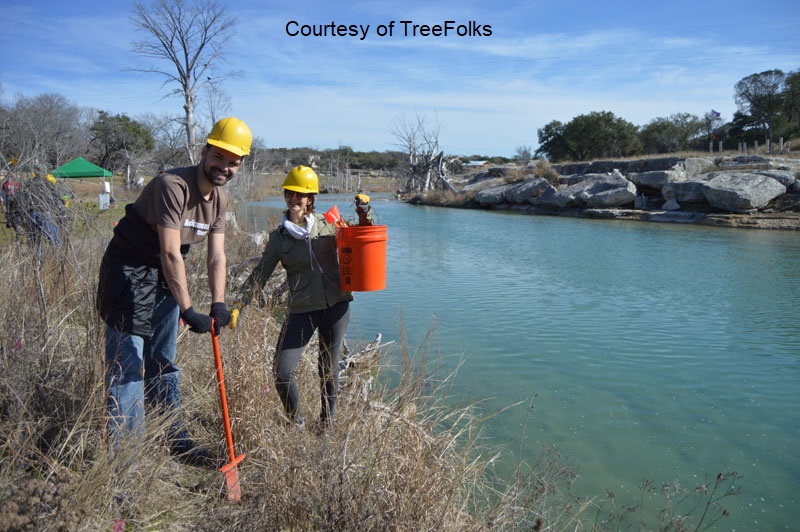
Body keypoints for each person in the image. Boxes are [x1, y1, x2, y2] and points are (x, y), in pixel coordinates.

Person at [97, 117, 252, 466]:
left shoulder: (220, 200)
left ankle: (175, 438)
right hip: (130, 269)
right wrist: (187, 309)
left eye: (233, 161)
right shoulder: (173, 186)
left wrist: (218, 302)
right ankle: (126, 462)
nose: (224, 167)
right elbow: (168, 251)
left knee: (163, 361)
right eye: (219, 157)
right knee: (129, 366)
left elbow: (217, 254)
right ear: (204, 151)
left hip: (166, 274)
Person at [235, 165, 373, 432]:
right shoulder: (279, 238)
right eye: (290, 193)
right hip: (302, 308)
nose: (294, 198)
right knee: (282, 372)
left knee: (328, 369)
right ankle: (295, 422)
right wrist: (239, 305)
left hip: (337, 305)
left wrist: (363, 214)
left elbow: (361, 238)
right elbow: (260, 274)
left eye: (300, 194)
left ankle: (327, 425)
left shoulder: (329, 224)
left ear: (310, 198)